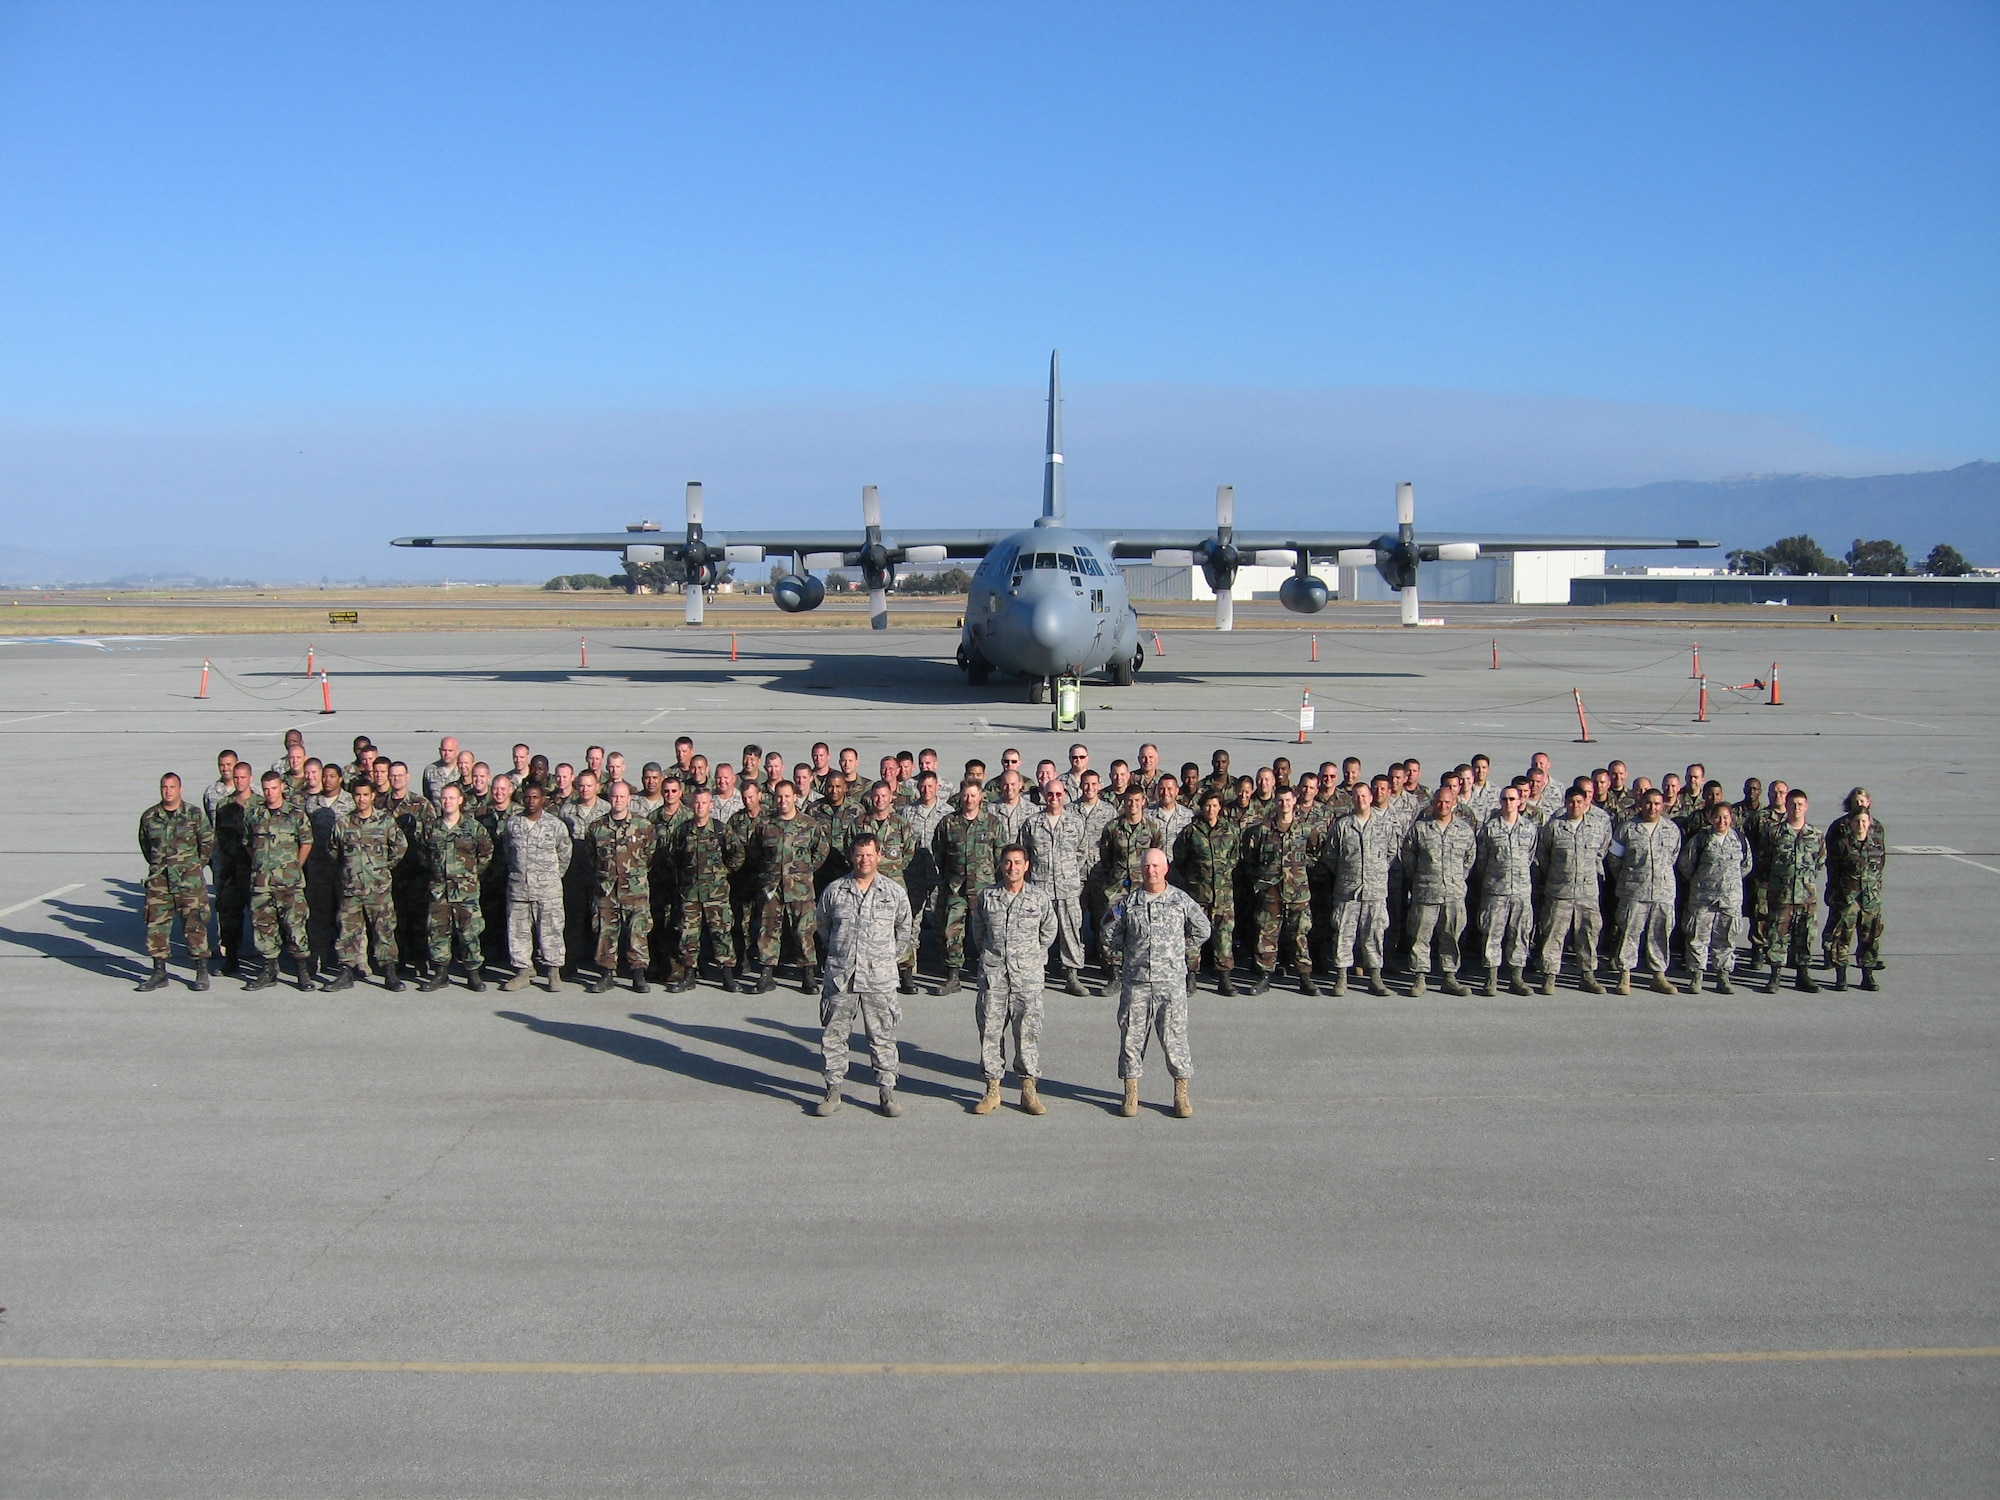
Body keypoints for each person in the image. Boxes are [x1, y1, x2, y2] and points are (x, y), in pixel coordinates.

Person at [1103, 848, 1210, 1120]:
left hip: (1170, 982)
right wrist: (1126, 951)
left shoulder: (1180, 899)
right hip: (1136, 982)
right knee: (1131, 1039)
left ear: (1166, 869)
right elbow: (1108, 933)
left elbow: (1202, 928)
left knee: (1174, 1040)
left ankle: (1181, 1093)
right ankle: (1130, 1093)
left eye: (1156, 866)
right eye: (1147, 866)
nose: (1151, 870)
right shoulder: (1127, 902)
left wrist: (1179, 950)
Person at [814, 832, 914, 1118]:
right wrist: (840, 953)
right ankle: (833, 1090)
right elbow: (823, 927)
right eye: (859, 855)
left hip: (879, 978)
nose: (864, 860)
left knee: (882, 1037)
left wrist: (886, 960)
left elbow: (904, 930)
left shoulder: (893, 892)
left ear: (879, 856)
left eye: (869, 854)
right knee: (834, 1035)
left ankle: (887, 1091)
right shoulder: (835, 890)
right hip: (842, 976)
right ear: (851, 857)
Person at [968, 845, 1059, 1116]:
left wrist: (1033, 957)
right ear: (1001, 865)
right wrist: (992, 959)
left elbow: (1049, 930)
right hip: (994, 977)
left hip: (1026, 978)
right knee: (990, 1034)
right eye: (1007, 863)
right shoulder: (987, 897)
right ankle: (992, 1089)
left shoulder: (1038, 898)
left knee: (1027, 1034)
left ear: (1027, 866)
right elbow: (979, 932)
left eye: (1017, 862)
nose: (1012, 868)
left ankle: (1028, 1089)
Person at [324, 779, 409, 992]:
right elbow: (333, 850)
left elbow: (400, 846)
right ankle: (346, 972)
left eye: (365, 795)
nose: (361, 799)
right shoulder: (344, 823)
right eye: (357, 795)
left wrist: (383, 869)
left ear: (373, 796)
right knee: (347, 931)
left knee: (384, 931)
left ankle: (390, 973)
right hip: (351, 888)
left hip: (378, 889)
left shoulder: (385, 822)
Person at [137, 772, 215, 991]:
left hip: (188, 883)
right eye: (164, 787)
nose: (168, 791)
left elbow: (207, 842)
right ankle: (159, 972)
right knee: (156, 927)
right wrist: (158, 867)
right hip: (159, 882)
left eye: (172, 787)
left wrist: (193, 866)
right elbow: (146, 845)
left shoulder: (194, 814)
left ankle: (201, 971)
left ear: (180, 789)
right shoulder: (150, 816)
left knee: (195, 926)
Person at [750, 780, 830, 994]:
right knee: (768, 930)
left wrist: (804, 871)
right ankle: (766, 973)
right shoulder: (765, 825)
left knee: (804, 931)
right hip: (772, 888)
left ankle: (808, 975)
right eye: (779, 797)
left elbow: (821, 851)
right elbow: (756, 853)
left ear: (795, 797)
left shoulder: (809, 824)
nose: (783, 801)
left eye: (787, 796)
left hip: (800, 889)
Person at [1401, 784, 1477, 996]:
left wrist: (1457, 879)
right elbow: (1408, 857)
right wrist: (1419, 878)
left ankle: (1449, 977)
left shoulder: (1464, 830)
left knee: (1451, 936)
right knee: (1420, 936)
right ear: (1433, 803)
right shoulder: (1420, 828)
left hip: (1453, 894)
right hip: (1426, 892)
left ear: (1454, 804)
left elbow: (1469, 859)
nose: (1443, 806)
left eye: (1447, 802)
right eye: (1439, 802)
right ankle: (1419, 978)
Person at [1535, 786, 1612, 995]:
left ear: (1586, 803)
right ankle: (1549, 977)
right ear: (1565, 803)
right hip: (1560, 891)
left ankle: (1587, 975)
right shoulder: (1554, 827)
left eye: (1579, 802)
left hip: (1587, 892)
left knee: (1588, 934)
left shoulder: (1596, 827)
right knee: (1553, 934)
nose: (1575, 806)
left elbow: (1602, 852)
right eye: (1571, 802)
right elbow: (1543, 855)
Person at [242, 770, 314, 990]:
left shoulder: (295, 814)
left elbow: (306, 842)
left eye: (274, 788)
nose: (270, 793)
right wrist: (260, 863)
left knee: (295, 926)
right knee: (264, 926)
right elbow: (247, 842)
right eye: (266, 789)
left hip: (289, 882)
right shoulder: (254, 814)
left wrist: (294, 867)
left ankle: (302, 973)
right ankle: (268, 970)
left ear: (281, 787)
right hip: (262, 883)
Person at [931, 781, 1005, 995]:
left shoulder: (992, 823)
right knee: (951, 932)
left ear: (980, 796)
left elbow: (1000, 853)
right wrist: (950, 876)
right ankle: (953, 976)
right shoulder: (948, 823)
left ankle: (990, 974)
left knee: (988, 932)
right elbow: (939, 853)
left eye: (973, 795)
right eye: (965, 795)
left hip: (984, 888)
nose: (969, 800)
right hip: (956, 887)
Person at [1321, 783, 1395, 996]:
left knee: (1374, 935)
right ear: (1351, 799)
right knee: (1343, 934)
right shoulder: (1342, 826)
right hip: (1348, 891)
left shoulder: (1384, 826)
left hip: (1375, 892)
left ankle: (1375, 978)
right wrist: (1348, 873)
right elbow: (1331, 856)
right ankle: (1341, 978)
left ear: (1370, 797)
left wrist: (1376, 872)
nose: (1360, 799)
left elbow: (1392, 853)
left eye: (1364, 795)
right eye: (1356, 796)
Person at [419, 781, 493, 991]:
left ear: (460, 800)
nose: (447, 802)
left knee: (470, 934)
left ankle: (473, 974)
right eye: (444, 798)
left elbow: (486, 853)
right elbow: (424, 854)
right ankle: (441, 974)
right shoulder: (432, 827)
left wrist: (470, 875)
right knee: (438, 932)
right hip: (439, 892)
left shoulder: (473, 827)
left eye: (451, 798)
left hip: (465, 892)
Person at [1242, 786, 1315, 994]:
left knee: (1299, 934)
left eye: (1288, 800)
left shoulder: (1305, 829)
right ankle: (1264, 976)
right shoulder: (1262, 830)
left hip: (1297, 892)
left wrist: (1299, 872)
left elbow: (1318, 853)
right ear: (1276, 802)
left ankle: (1304, 977)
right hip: (1270, 892)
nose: (1284, 804)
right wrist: (1262, 878)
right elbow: (1249, 857)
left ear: (1294, 801)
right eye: (1280, 800)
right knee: (1266, 935)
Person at [1608, 788, 1682, 994]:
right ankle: (1625, 975)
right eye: (1648, 803)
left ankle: (1659, 976)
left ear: (1663, 806)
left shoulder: (1671, 829)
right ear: (1640, 804)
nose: (1653, 807)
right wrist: (1629, 878)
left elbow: (1674, 856)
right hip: (1634, 891)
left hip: (1663, 891)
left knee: (1660, 933)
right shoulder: (1626, 829)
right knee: (1629, 933)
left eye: (1657, 804)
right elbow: (1614, 859)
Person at [501, 781, 572, 993]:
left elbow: (565, 853)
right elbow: (508, 852)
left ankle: (553, 973)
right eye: (528, 797)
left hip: (548, 889)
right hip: (519, 888)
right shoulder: (513, 824)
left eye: (535, 797)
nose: (531, 801)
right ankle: (522, 972)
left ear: (543, 800)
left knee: (551, 930)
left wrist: (551, 876)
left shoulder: (555, 825)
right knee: (518, 931)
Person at [671, 786, 744, 991]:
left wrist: (723, 872)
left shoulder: (721, 830)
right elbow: (675, 858)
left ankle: (727, 974)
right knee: (688, 934)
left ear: (711, 806)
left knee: (721, 933)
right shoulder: (683, 831)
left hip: (716, 893)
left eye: (704, 803)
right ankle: (689, 974)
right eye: (697, 803)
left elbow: (737, 855)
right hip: (690, 893)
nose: (700, 807)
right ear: (692, 804)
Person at [1021, 782, 1088, 995]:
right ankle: (1035, 973)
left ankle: (1072, 976)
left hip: (1067, 888)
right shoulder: (1032, 823)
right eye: (1050, 793)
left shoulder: (1075, 822)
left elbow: (1081, 852)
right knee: (1037, 933)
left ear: (1065, 795)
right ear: (1043, 795)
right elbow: (1023, 854)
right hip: (1039, 888)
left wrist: (1067, 872)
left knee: (1071, 932)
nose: (1054, 797)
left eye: (1059, 794)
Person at [1095, 786, 1163, 994]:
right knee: (1112, 926)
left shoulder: (1152, 828)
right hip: (1117, 889)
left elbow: (1157, 856)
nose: (1132, 805)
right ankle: (1114, 973)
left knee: (1143, 928)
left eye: (1136, 801)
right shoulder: (1113, 828)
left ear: (1143, 801)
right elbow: (1106, 857)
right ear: (1123, 802)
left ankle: (1140, 970)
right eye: (1128, 801)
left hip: (1143, 887)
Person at [1678, 801, 1752, 993]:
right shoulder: (1701, 839)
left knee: (1726, 938)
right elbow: (1686, 864)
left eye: (1725, 817)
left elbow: (1746, 865)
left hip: (1730, 899)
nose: (1721, 821)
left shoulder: (1740, 840)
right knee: (1697, 937)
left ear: (1731, 818)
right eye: (1717, 817)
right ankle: (1696, 976)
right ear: (1710, 818)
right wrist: (1704, 882)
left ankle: (1723, 976)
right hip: (1703, 898)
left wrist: (1728, 883)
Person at [1174, 788, 1242, 994]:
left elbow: (1235, 858)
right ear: (1201, 807)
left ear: (1220, 807)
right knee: (1193, 936)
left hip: (1222, 895)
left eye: (1214, 805)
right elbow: (1180, 859)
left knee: (1224, 938)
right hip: (1198, 895)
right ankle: (1191, 976)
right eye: (1207, 806)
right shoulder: (1191, 832)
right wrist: (1195, 878)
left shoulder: (1230, 831)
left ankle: (1224, 978)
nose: (1211, 809)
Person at [1473, 784, 1538, 994]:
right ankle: (1491, 978)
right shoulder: (1489, 829)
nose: (1508, 803)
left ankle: (1516, 978)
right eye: (1505, 799)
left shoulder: (1529, 828)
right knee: (1492, 933)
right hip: (1495, 890)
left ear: (1520, 802)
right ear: (1500, 802)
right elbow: (1481, 860)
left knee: (1520, 934)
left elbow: (1531, 855)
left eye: (1512, 799)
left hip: (1520, 891)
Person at [1760, 788, 1825, 994]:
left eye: (1800, 804)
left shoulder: (1815, 835)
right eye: (1792, 804)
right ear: (1786, 806)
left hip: (1806, 897)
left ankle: (1803, 974)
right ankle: (1775, 974)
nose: (1796, 808)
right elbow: (1764, 863)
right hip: (1782, 896)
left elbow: (1820, 862)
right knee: (1777, 935)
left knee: (1805, 936)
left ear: (1806, 807)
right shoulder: (1774, 833)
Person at [1823, 794, 1886, 991]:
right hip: (1847, 898)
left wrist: (1875, 892)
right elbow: (1832, 870)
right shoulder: (1842, 845)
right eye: (1857, 821)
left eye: (1864, 821)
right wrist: (1834, 895)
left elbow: (1880, 868)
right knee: (1841, 937)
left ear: (1869, 824)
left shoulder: (1875, 845)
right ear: (1850, 823)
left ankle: (1867, 974)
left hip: (1869, 899)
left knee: (1870, 937)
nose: (1860, 825)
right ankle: (1840, 975)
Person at [209, 760, 256, 975]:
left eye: (242, 777)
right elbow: (218, 838)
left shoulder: (260, 805)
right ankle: (231, 960)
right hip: (230, 870)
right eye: (236, 777)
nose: (238, 781)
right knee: (229, 917)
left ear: (250, 779)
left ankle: (266, 963)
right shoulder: (223, 805)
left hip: (254, 870)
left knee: (262, 916)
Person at [422, 736, 460, 805]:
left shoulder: (462, 770)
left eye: (450, 751)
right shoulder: (430, 770)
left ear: (457, 752)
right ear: (439, 751)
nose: (447, 754)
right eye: (444, 750)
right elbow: (427, 798)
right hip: (437, 814)